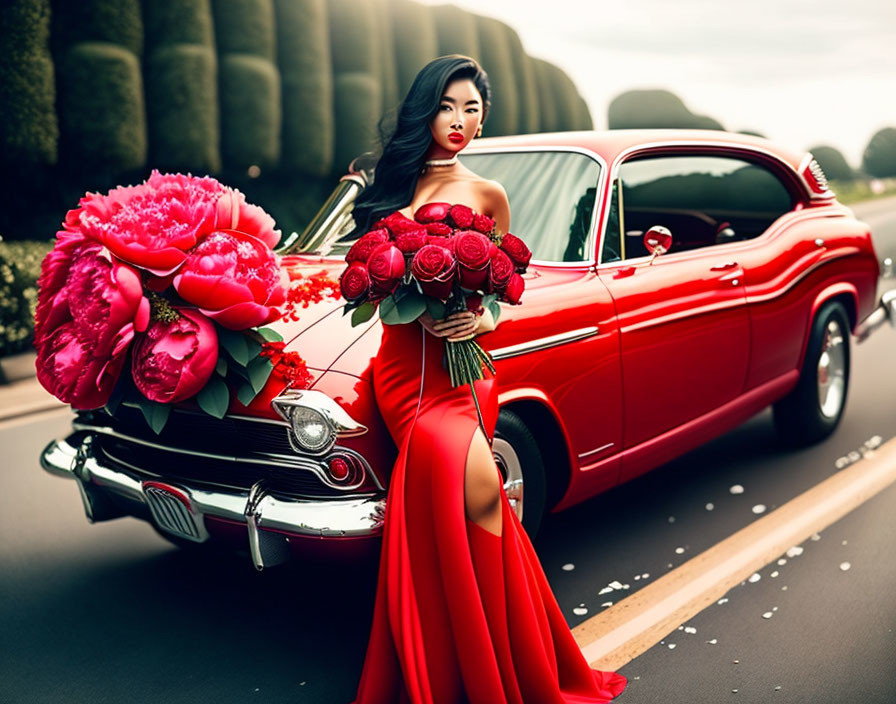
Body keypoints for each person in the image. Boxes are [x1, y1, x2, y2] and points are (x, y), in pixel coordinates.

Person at [350, 55, 626, 704]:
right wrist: (409, 294)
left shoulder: (487, 194)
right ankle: (469, 660)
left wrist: (474, 321)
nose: (459, 121)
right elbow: (367, 284)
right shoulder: (385, 184)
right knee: (464, 499)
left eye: (472, 109)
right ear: (427, 108)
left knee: (480, 497)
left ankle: (506, 660)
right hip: (401, 375)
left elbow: (500, 292)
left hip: (463, 375)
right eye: (448, 106)